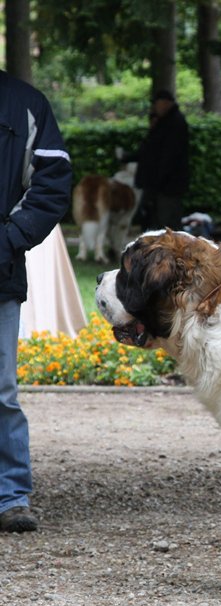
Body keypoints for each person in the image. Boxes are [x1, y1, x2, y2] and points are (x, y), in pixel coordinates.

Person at [0, 70, 72, 533]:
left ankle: (10, 495)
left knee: (1, 391)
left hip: (0, 274)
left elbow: (52, 182)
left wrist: (9, 240)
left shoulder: (25, 103)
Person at [132, 89, 190, 231]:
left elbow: (168, 156)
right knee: (160, 221)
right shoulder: (165, 122)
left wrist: (158, 180)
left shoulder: (174, 123)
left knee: (167, 223)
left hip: (167, 185)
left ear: (165, 103)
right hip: (161, 184)